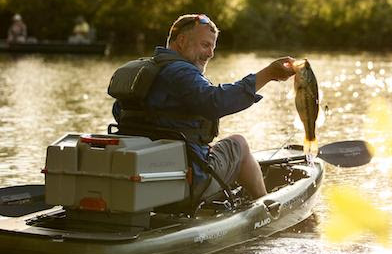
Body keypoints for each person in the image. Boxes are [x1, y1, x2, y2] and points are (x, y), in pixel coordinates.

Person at [112, 14, 295, 204]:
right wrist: (268, 74)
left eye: (213, 47)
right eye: (205, 45)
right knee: (238, 145)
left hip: (150, 174)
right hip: (191, 178)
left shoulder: (144, 73)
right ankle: (265, 208)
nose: (211, 54)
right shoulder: (181, 72)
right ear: (182, 41)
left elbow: (120, 113)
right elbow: (215, 101)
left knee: (213, 147)